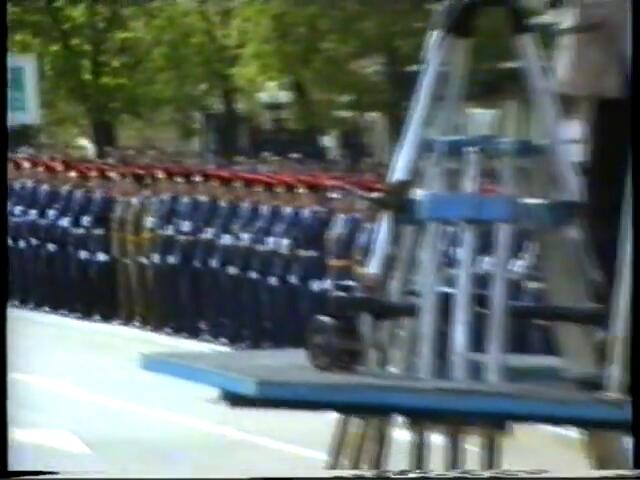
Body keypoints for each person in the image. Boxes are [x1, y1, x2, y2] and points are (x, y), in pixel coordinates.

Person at [552, 0, 630, 303]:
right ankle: (612, 290)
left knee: (606, 197)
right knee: (605, 196)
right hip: (612, 73)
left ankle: (613, 291)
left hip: (612, 72)